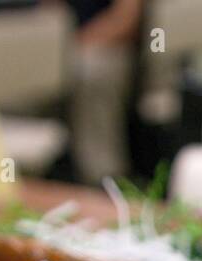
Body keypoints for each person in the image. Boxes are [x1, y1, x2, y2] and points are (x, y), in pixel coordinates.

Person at [61, 0, 143, 180]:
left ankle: (103, 179)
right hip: (64, 46)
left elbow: (126, 19)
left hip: (113, 47)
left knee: (89, 71)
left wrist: (77, 44)